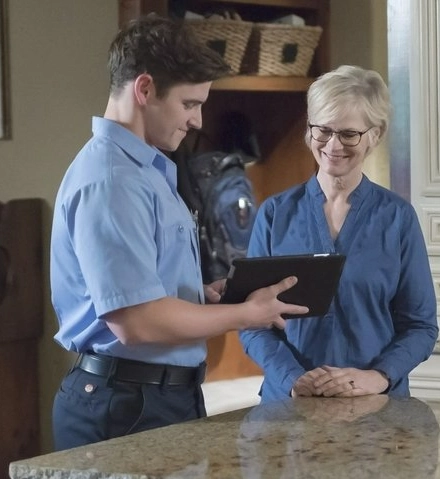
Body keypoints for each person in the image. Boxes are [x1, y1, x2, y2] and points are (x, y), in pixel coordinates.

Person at [49, 14, 309, 451]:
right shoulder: (114, 179)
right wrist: (248, 314)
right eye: (190, 104)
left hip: (159, 396)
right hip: (126, 404)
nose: (198, 121)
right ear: (145, 89)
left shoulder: (147, 170)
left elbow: (148, 295)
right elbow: (137, 322)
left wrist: (199, 296)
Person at [239, 65, 439, 401]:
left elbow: (421, 327)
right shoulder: (275, 214)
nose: (333, 145)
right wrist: (293, 379)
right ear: (310, 131)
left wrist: (376, 377)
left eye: (348, 134)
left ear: (375, 135)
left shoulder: (398, 219)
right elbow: (252, 322)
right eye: (323, 131)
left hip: (375, 408)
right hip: (290, 404)